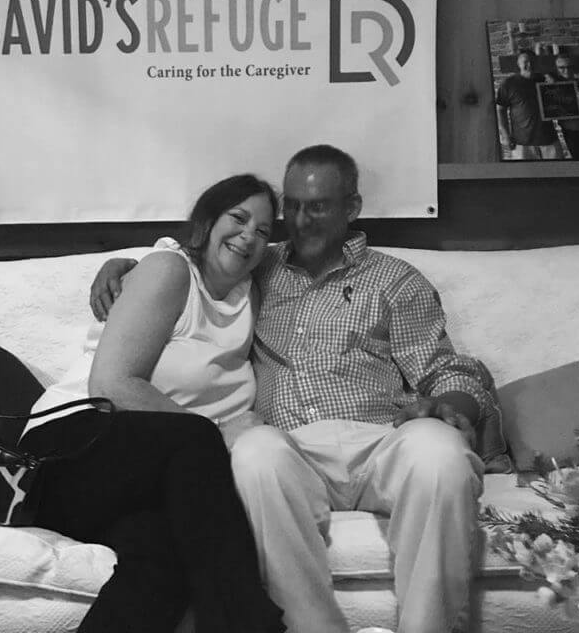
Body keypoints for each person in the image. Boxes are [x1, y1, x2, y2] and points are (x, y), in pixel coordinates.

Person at [91, 145, 493, 633]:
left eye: (318, 207)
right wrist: (125, 266)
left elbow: (447, 370)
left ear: (352, 207)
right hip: (291, 446)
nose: (301, 222)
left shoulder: (395, 280)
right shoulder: (260, 264)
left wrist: (450, 406)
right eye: (294, 207)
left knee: (441, 453)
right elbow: (195, 263)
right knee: (253, 453)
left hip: (381, 439)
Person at [20, 173, 285, 633]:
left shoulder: (252, 292)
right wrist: (218, 433)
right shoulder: (171, 269)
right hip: (65, 450)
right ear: (207, 221)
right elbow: (112, 384)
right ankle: (252, 622)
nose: (248, 236)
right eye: (238, 218)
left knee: (166, 554)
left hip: (138, 481)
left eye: (262, 231)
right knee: (196, 438)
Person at [495, 49, 561, 160]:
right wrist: (505, 135)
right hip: (521, 142)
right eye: (525, 62)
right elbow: (500, 110)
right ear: (518, 63)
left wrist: (555, 86)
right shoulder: (508, 84)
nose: (529, 65)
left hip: (549, 139)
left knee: (558, 171)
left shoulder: (546, 80)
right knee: (523, 171)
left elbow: (563, 102)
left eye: (532, 61)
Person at [546, 55, 579, 161]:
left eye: (569, 67)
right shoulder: (553, 83)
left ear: (573, 67)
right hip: (570, 132)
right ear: (557, 69)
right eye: (562, 67)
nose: (566, 70)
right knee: (578, 159)